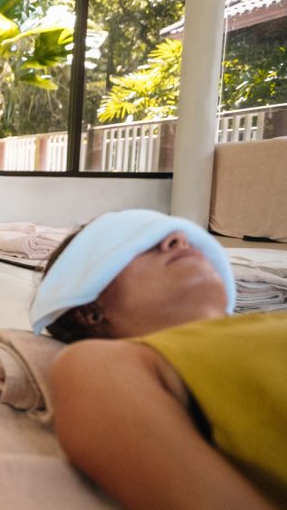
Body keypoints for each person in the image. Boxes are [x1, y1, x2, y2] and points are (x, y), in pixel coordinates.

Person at [28, 209, 285, 509]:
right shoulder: (100, 364)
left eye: (185, 237)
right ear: (86, 310)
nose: (179, 239)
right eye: (140, 242)